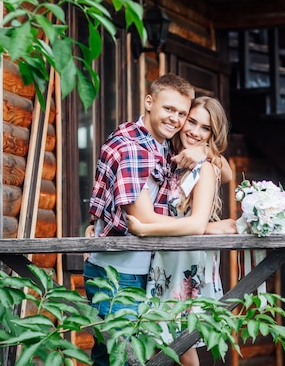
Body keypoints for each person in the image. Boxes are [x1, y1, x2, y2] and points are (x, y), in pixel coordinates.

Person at [83, 74, 231, 366]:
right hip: (119, 273)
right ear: (149, 102)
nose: (176, 119)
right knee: (124, 358)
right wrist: (205, 227)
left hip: (149, 272)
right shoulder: (134, 147)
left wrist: (204, 150)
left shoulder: (165, 147)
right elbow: (143, 221)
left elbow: (224, 171)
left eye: (181, 113)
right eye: (169, 110)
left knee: (116, 357)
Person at [126, 96, 234, 366]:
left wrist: (146, 229)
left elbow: (196, 223)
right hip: (165, 262)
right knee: (158, 339)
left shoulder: (205, 167)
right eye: (192, 121)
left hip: (186, 264)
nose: (195, 131)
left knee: (180, 343)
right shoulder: (170, 160)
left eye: (205, 128)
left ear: (213, 133)